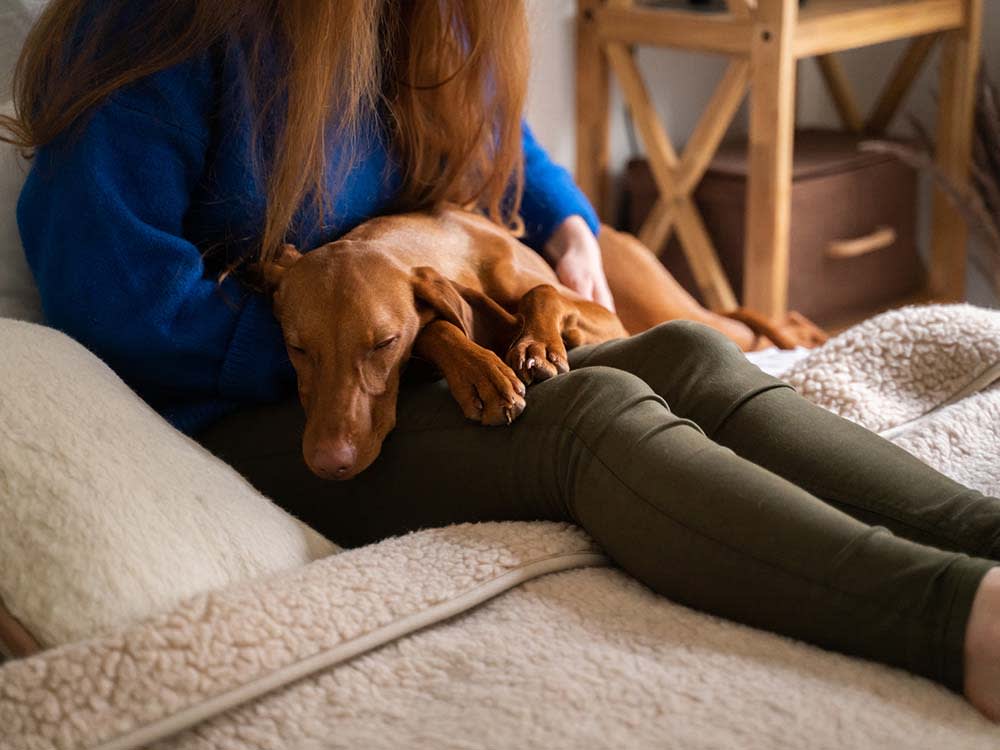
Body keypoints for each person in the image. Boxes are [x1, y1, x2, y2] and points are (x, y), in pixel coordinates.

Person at [4, 0, 1000, 720]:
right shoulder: (155, 26)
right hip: (259, 406)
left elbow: (500, 144)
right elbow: (108, 283)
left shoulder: (418, 19)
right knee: (585, 421)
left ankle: (980, 535)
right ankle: (959, 623)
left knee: (684, 351)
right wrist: (390, 341)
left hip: (411, 339)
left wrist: (567, 225)